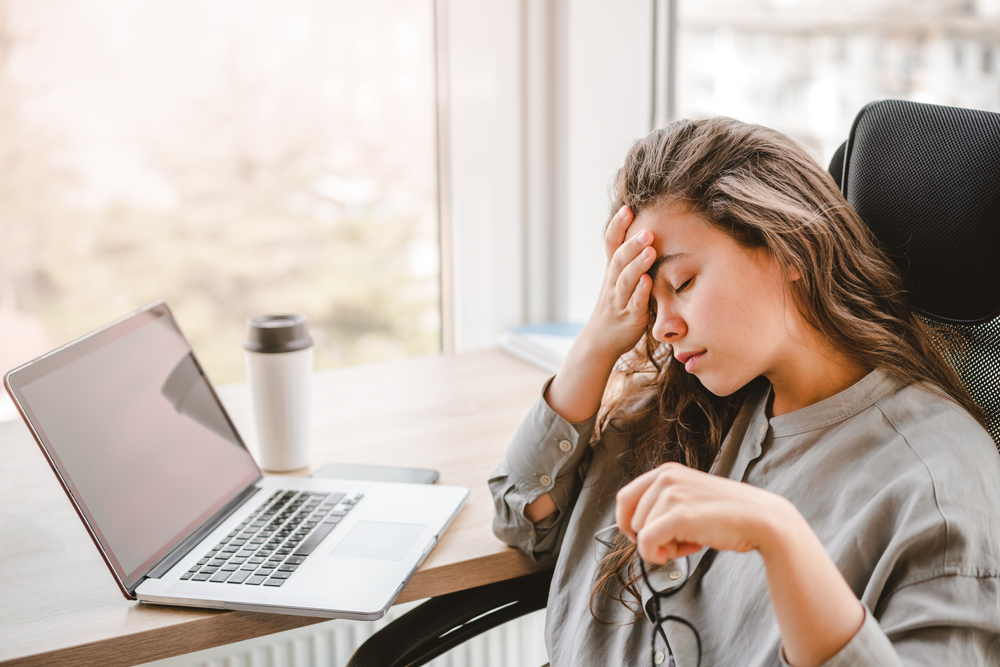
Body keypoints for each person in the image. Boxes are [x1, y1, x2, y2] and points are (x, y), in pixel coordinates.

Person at [489, 117, 1000, 667]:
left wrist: (780, 539)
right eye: (649, 298)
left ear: (791, 249)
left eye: (682, 284)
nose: (661, 326)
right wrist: (595, 343)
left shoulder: (937, 485)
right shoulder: (685, 407)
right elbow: (523, 517)